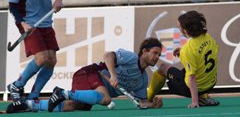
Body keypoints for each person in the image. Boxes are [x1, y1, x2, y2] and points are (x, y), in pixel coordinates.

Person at [21, 38, 164, 112]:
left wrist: (152, 104)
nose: (157, 57)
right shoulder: (131, 58)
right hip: (90, 73)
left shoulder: (143, 79)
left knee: (71, 106)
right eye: (155, 53)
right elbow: (108, 55)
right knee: (105, 99)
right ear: (144, 51)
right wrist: (113, 75)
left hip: (95, 88)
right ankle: (62, 93)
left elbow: (141, 102)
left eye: (159, 55)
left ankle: (28, 104)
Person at [6, 0, 65, 113]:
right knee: (42, 58)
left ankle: (33, 97)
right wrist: (23, 24)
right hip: (28, 22)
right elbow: (13, 7)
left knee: (51, 60)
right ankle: (17, 86)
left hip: (45, 20)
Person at [147, 11, 220, 108]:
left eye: (179, 27)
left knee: (163, 68)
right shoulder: (209, 38)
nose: (179, 29)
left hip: (190, 88)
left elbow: (192, 78)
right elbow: (204, 52)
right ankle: (204, 97)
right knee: (193, 67)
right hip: (211, 84)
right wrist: (183, 51)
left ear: (185, 31)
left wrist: (194, 102)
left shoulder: (188, 49)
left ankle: (146, 99)